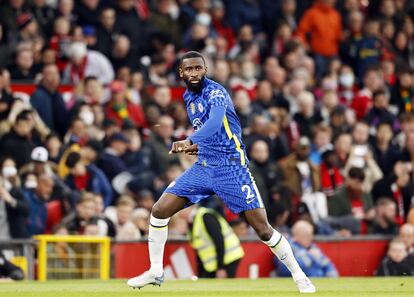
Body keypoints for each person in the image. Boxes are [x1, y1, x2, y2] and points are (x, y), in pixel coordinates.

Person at [127, 51, 316, 293]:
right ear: (181, 73)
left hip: (232, 168)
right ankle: (155, 271)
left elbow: (215, 122)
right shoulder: (188, 96)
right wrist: (198, 146)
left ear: (205, 70)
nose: (194, 73)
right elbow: (213, 133)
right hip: (205, 166)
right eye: (189, 69)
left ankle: (300, 276)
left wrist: (189, 140)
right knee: (159, 210)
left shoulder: (215, 92)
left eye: (198, 68)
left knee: (262, 229)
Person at [184, 205, 244, 278]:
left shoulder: (205, 216)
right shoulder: (194, 220)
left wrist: (221, 268)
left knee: (225, 287)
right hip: (212, 263)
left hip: (229, 258)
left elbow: (219, 240)